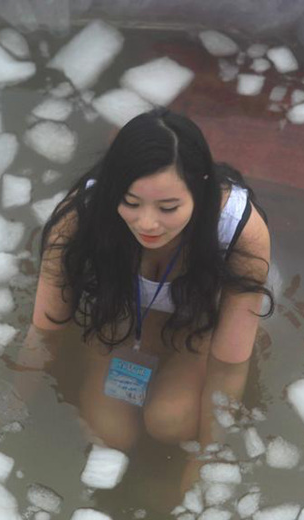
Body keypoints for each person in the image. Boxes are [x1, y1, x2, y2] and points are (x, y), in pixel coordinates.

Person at [17, 108, 273, 491]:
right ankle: (102, 360)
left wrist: (202, 470)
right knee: (111, 432)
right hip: (121, 319)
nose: (148, 223)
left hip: (199, 323)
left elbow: (230, 366)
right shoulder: (80, 218)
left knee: (170, 421)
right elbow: (45, 331)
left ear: (200, 191)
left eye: (168, 207)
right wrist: (9, 415)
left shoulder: (239, 231)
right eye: (131, 203)